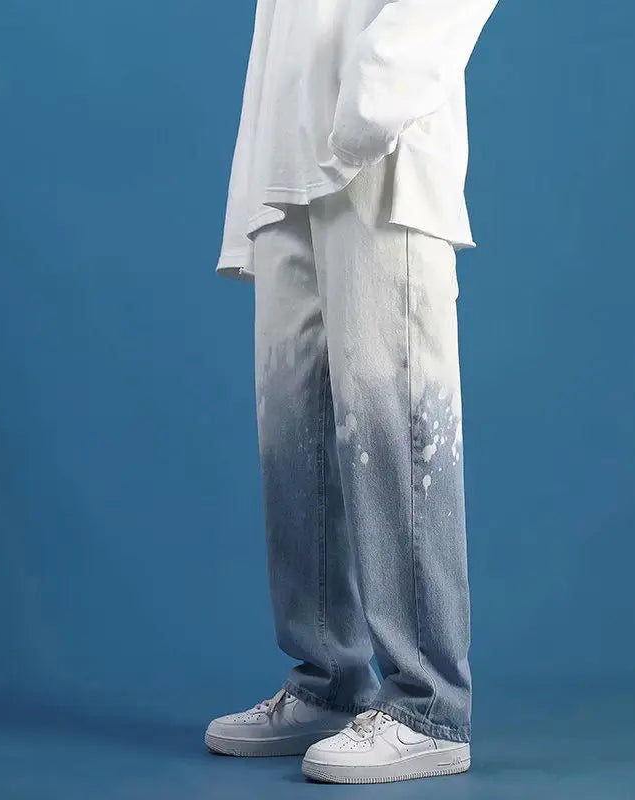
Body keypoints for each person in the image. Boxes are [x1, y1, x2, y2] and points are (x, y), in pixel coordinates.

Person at [205, 0, 500, 785]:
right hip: (289, 153)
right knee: (294, 423)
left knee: (390, 419)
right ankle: (329, 680)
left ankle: (428, 706)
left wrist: (373, 95)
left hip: (382, 152)